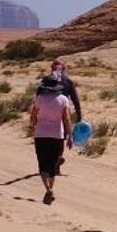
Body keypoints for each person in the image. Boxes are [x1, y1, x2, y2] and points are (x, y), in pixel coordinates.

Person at [28, 72, 75, 205]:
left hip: (41, 134)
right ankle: (51, 187)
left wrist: (31, 128)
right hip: (57, 135)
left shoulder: (39, 98)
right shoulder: (63, 99)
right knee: (53, 165)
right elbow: (66, 119)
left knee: (42, 163)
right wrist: (70, 135)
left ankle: (48, 190)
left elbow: (33, 116)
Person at [50, 58, 82, 123]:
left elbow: (37, 99)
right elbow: (75, 100)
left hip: (47, 112)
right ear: (63, 69)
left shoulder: (45, 81)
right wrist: (79, 116)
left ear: (52, 69)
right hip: (63, 111)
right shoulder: (68, 81)